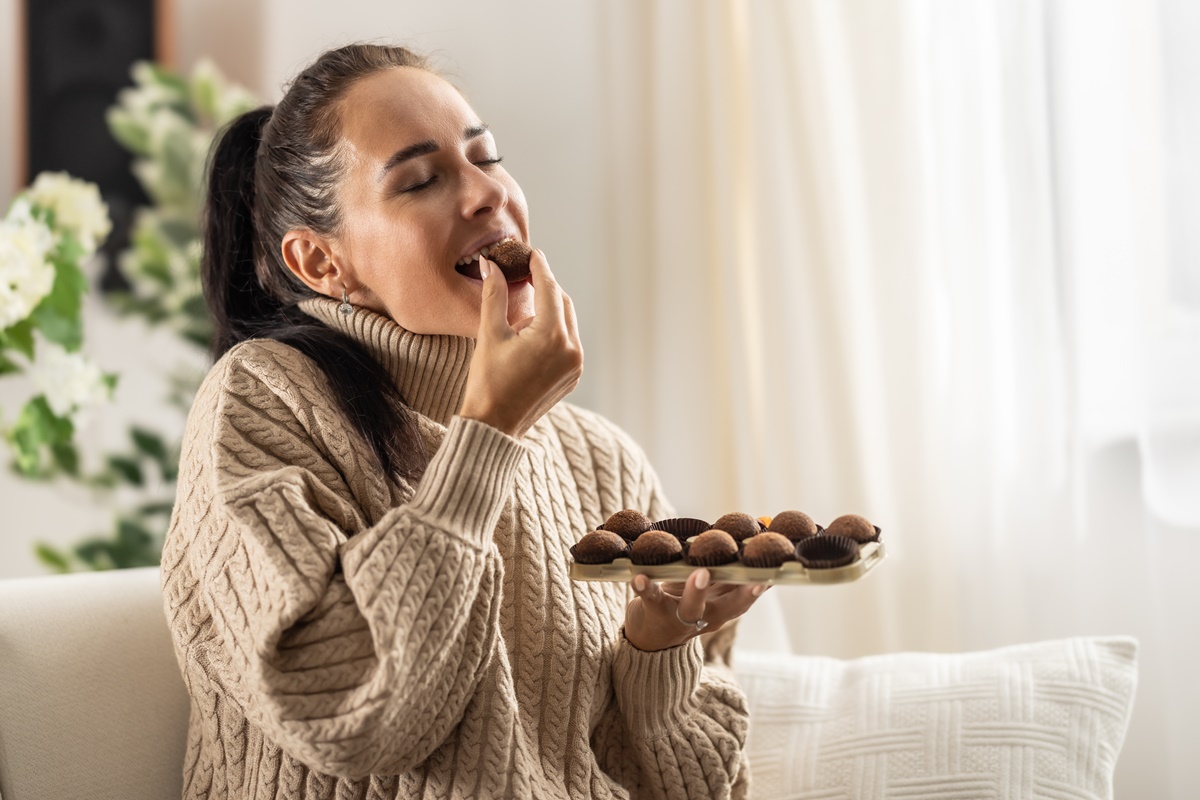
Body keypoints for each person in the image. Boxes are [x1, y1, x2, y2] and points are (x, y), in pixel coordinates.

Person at [162, 43, 767, 799]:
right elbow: (348, 715)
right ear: (321, 263)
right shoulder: (264, 401)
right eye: (420, 180)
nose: (487, 194)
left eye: (487, 157)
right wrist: (489, 434)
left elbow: (695, 785)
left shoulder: (601, 459)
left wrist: (658, 649)